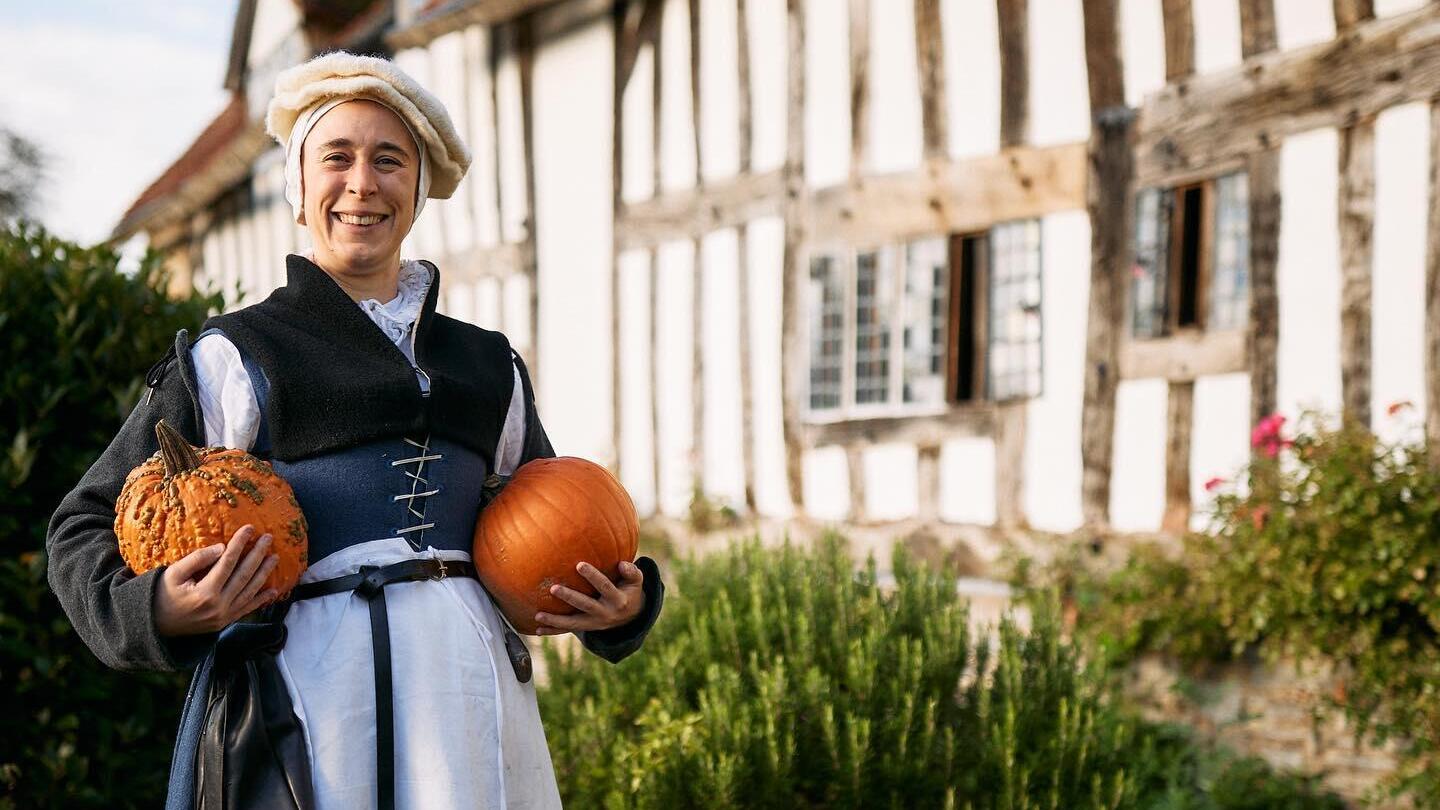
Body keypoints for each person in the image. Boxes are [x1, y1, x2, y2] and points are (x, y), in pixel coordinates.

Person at [46, 51, 664, 810]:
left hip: (470, 712)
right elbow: (81, 529)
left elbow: (552, 525)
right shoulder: (234, 355)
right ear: (299, 190)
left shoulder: (486, 364)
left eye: (389, 161)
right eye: (336, 158)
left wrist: (623, 610)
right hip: (307, 709)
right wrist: (158, 610)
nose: (362, 184)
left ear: (418, 190)